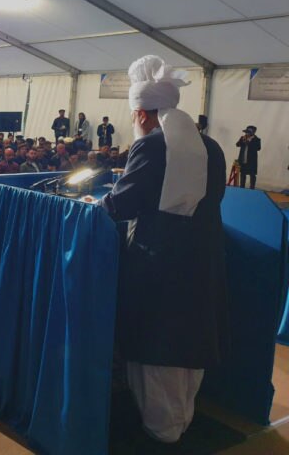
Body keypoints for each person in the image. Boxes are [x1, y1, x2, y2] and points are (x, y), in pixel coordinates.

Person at [97, 55, 228, 446]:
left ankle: (162, 433)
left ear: (142, 114)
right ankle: (180, 422)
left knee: (156, 350)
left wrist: (93, 207)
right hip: (202, 259)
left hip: (158, 265)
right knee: (188, 347)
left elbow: (121, 206)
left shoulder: (152, 146)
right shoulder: (212, 146)